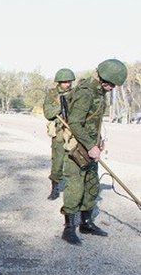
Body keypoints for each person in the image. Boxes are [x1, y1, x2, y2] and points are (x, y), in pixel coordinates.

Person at [60, 59, 127, 245]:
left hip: (91, 147)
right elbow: (75, 122)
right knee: (75, 187)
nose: (112, 88)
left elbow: (93, 121)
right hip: (78, 147)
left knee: (91, 185)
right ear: (103, 78)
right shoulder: (86, 93)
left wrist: (98, 142)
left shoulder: (100, 91)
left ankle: (86, 223)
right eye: (111, 84)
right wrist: (90, 146)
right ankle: (69, 229)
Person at [43, 68, 76, 200]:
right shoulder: (52, 95)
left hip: (73, 132)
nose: (68, 84)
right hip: (59, 133)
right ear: (59, 82)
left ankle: (73, 190)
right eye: (65, 82)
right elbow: (48, 113)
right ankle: (55, 188)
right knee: (57, 163)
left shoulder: (75, 93)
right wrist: (62, 105)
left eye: (70, 81)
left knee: (74, 161)